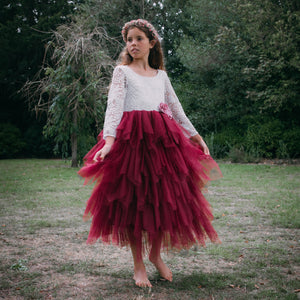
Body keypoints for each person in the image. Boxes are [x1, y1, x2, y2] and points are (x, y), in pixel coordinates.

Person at [78, 19, 222, 288]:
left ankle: (155, 254)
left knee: (163, 201)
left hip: (163, 144)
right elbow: (114, 107)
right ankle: (138, 264)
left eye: (139, 39)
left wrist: (196, 136)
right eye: (129, 40)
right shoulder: (122, 72)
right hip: (132, 143)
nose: (133, 44)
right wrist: (109, 141)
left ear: (151, 43)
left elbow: (176, 109)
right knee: (135, 204)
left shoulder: (161, 76)